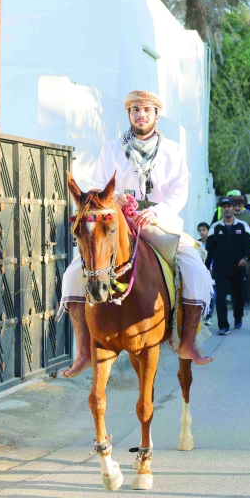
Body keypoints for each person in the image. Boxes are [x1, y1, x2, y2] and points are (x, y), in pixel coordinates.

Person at [60, 90, 213, 377]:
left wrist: (158, 212)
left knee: (194, 269)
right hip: (118, 222)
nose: (140, 114)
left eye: (146, 109)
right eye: (134, 110)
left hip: (158, 222)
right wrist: (112, 199)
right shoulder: (111, 148)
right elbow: (97, 184)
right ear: (129, 115)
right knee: (71, 276)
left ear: (156, 115)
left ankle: (188, 343)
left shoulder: (174, 151)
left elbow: (180, 191)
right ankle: (83, 351)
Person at [206, 197, 250, 333]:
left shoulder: (242, 226)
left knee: (238, 297)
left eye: (229, 206)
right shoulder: (215, 227)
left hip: (238, 267)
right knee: (220, 297)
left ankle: (238, 317)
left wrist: (245, 258)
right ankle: (223, 325)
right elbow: (209, 250)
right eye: (224, 206)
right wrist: (206, 267)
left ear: (233, 208)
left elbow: (249, 245)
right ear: (221, 209)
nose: (226, 209)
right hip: (220, 268)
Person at [197, 222, 213, 323]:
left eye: (204, 230)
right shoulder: (197, 243)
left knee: (212, 293)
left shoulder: (212, 242)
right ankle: (202, 314)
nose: (202, 232)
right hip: (201, 270)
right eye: (199, 230)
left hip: (211, 269)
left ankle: (209, 315)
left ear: (208, 230)